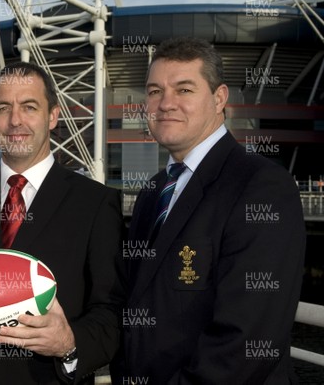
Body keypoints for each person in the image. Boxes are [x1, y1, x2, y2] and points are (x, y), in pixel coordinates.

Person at [110, 37, 306, 384]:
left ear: (219, 98)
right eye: (154, 91)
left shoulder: (261, 186)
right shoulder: (152, 194)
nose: (165, 104)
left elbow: (245, 339)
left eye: (184, 90)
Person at [0, 61, 124, 384]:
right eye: (3, 108)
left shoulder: (96, 203)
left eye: (29, 107)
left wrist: (69, 343)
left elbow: (111, 313)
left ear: (53, 116)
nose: (15, 120)